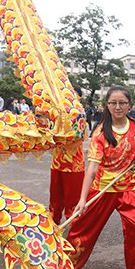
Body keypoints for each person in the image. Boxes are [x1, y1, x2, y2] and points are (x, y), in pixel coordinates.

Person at [66, 86, 135, 269]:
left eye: (122, 103)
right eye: (113, 103)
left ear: (130, 105)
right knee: (81, 228)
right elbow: (91, 169)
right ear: (107, 106)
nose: (118, 107)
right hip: (102, 189)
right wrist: (82, 199)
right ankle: (65, 263)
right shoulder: (100, 133)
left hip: (129, 187)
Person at [49, 87, 86, 226]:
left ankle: (75, 229)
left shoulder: (79, 113)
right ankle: (53, 224)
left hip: (73, 165)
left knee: (73, 201)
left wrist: (54, 137)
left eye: (72, 95)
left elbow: (76, 137)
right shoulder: (57, 113)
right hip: (57, 163)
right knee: (55, 199)